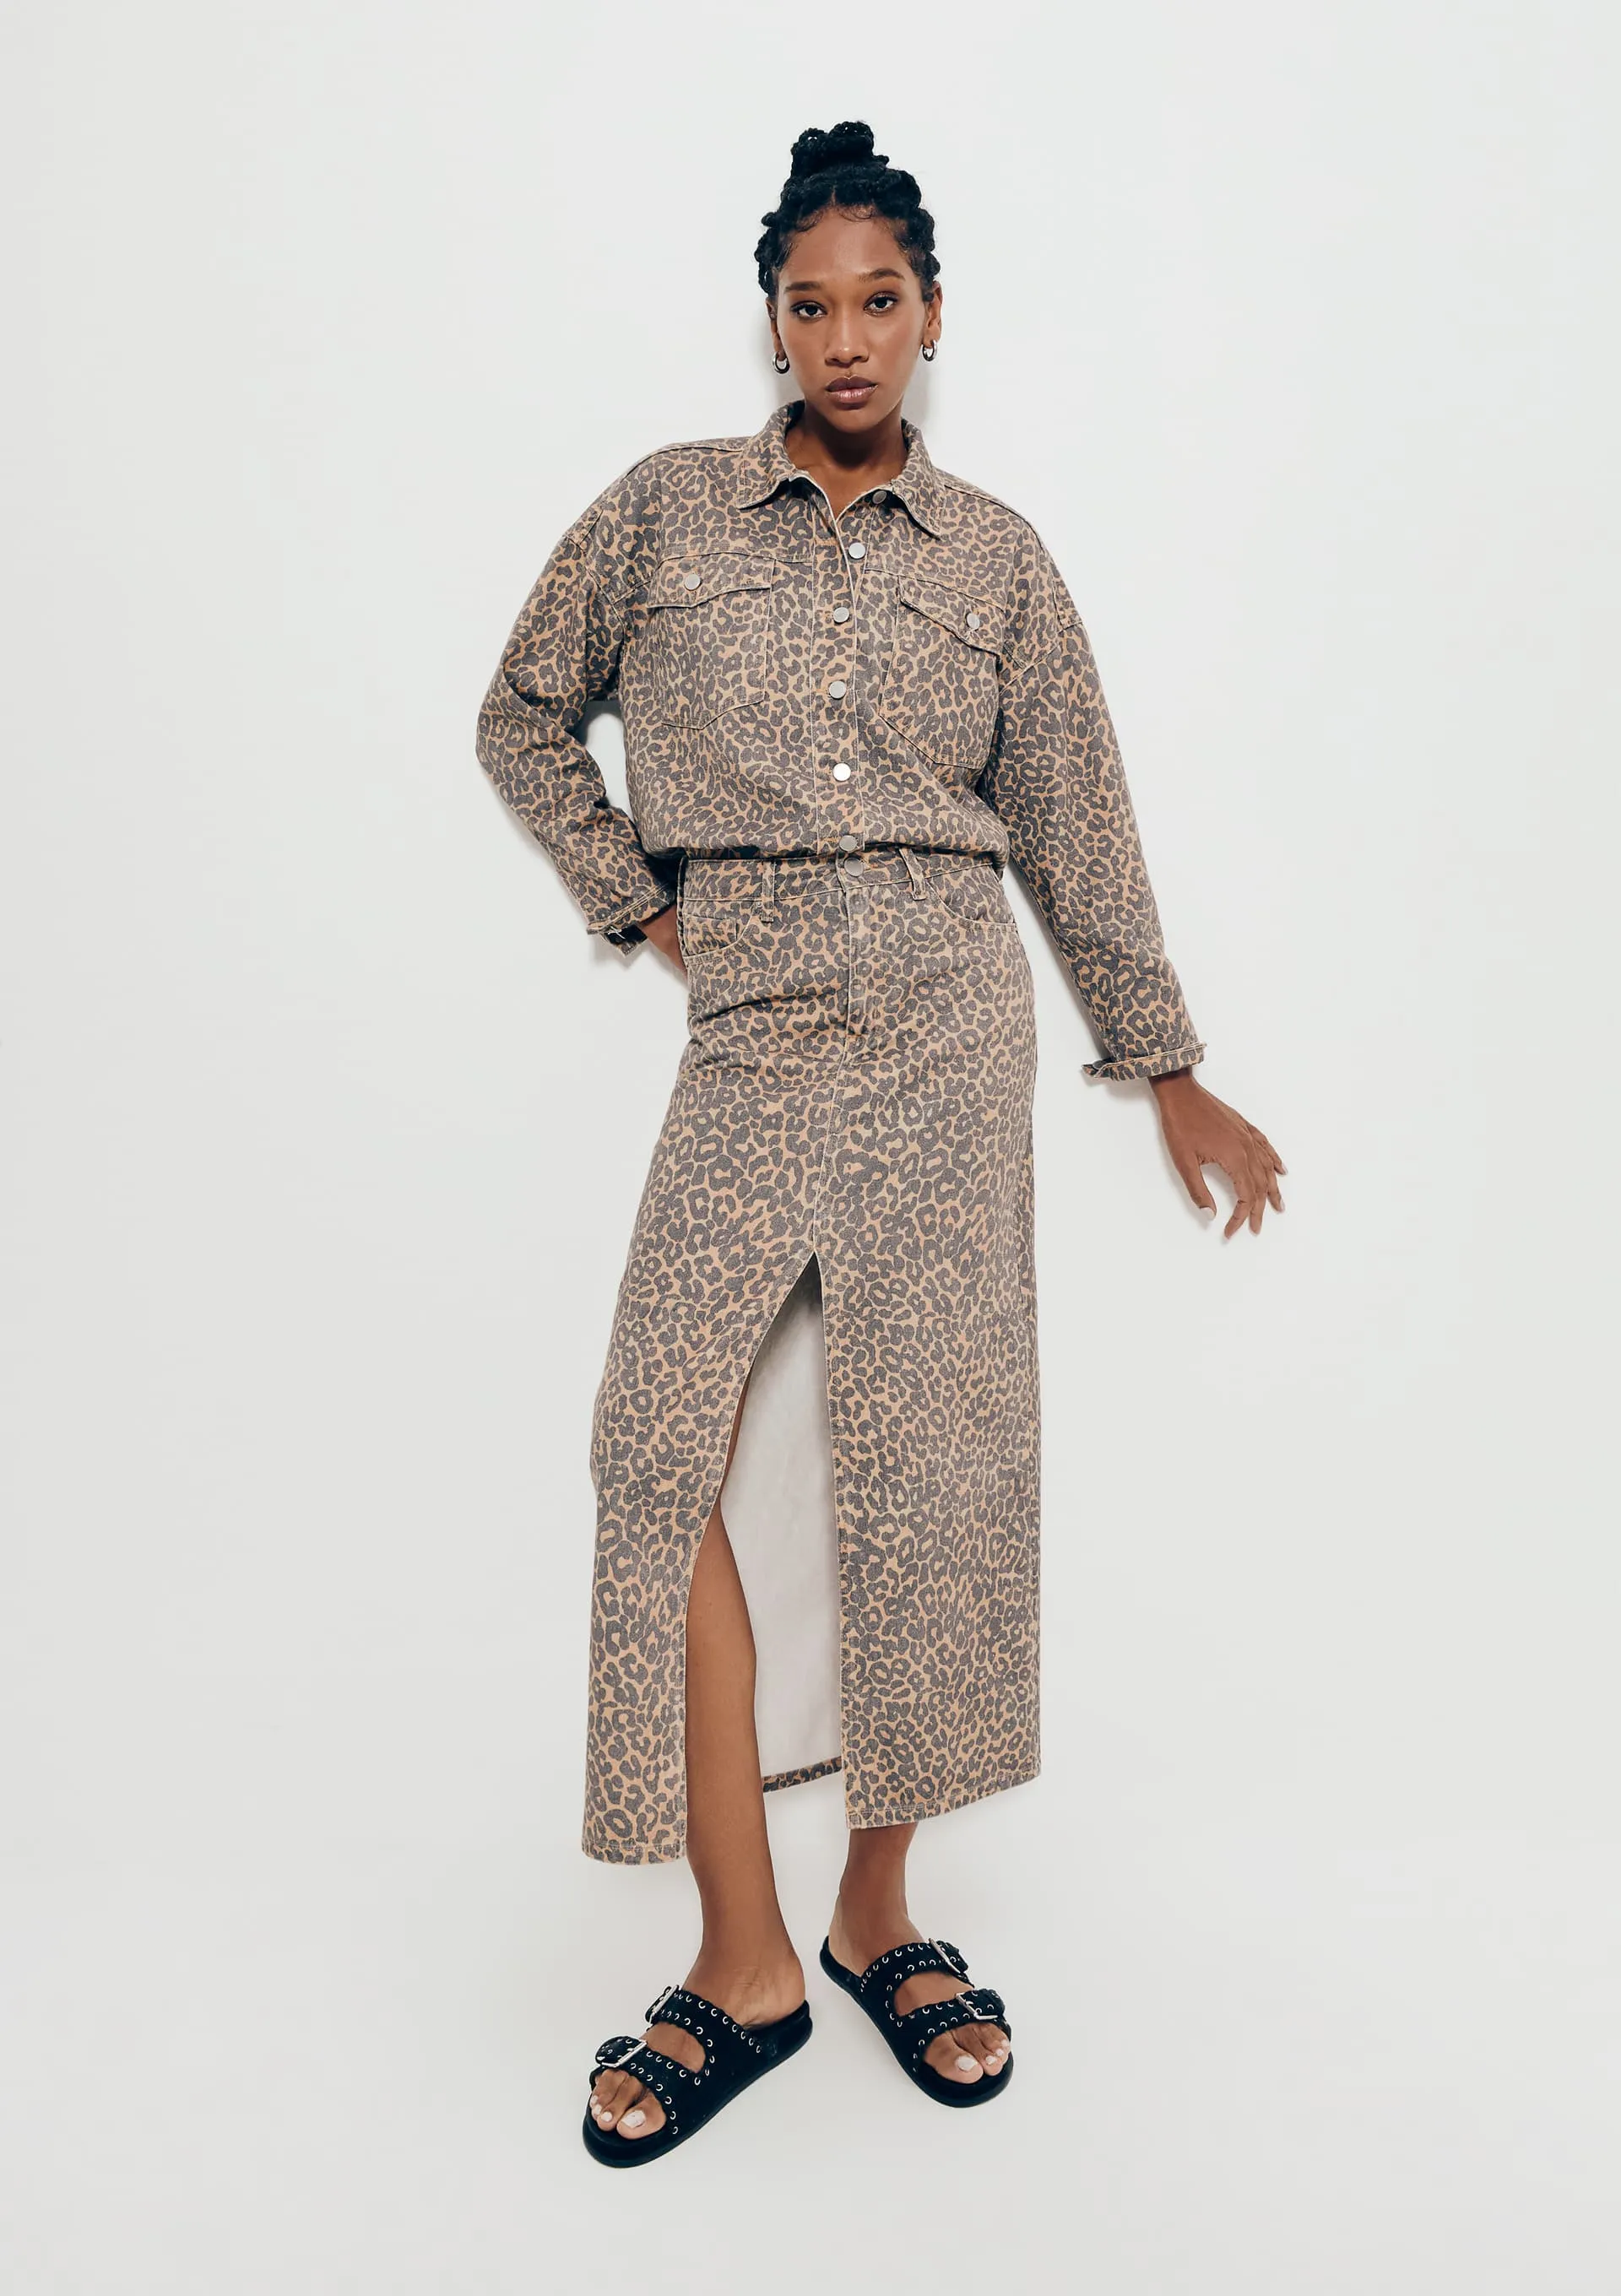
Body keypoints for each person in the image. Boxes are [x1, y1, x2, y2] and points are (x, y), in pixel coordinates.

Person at [474, 120, 1284, 2164]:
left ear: (933, 315)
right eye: (811, 303)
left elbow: (1078, 818)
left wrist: (1167, 1058)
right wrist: (640, 903)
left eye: (882, 301)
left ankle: (875, 1915)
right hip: (752, 1027)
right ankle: (739, 1955)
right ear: (773, 320)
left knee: (925, 1474)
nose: (846, 337)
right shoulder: (664, 510)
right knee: (655, 1448)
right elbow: (522, 712)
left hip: (946, 1024)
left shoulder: (998, 558)